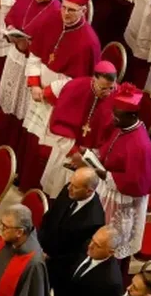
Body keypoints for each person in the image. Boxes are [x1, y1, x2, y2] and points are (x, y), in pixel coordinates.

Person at [18, 0, 101, 192]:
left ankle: (36, 189)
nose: (65, 13)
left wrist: (46, 91)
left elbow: (79, 84)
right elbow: (36, 53)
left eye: (72, 10)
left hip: (60, 102)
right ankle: (24, 180)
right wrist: (35, 83)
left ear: (83, 11)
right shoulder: (52, 20)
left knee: (46, 146)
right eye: (64, 7)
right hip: (39, 92)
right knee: (32, 139)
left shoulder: (89, 42)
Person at [70, 82, 151, 261]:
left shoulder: (140, 146)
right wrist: (90, 156)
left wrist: (97, 171)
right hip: (107, 188)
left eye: (117, 116)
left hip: (121, 198)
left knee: (111, 244)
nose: (113, 119)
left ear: (132, 115)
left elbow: (133, 182)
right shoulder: (122, 127)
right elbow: (107, 149)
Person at [0, 0, 61, 152]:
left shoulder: (56, 13)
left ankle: (14, 150)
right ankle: (1, 143)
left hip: (33, 67)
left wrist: (27, 47)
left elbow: (51, 51)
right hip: (14, 57)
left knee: (22, 109)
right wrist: (11, 33)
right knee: (8, 99)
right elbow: (11, 18)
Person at [38, 65, 119, 197]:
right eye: (103, 88)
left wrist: (93, 157)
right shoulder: (75, 88)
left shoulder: (117, 95)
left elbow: (113, 133)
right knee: (58, 193)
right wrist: (73, 152)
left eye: (111, 88)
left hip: (92, 158)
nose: (108, 93)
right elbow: (59, 124)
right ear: (94, 79)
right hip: (67, 149)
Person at [38, 167, 106, 296]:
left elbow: (78, 254)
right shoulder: (69, 190)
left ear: (89, 191)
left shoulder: (94, 220)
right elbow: (50, 217)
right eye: (70, 183)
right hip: (42, 249)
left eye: (75, 187)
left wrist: (49, 258)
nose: (69, 188)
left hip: (59, 268)